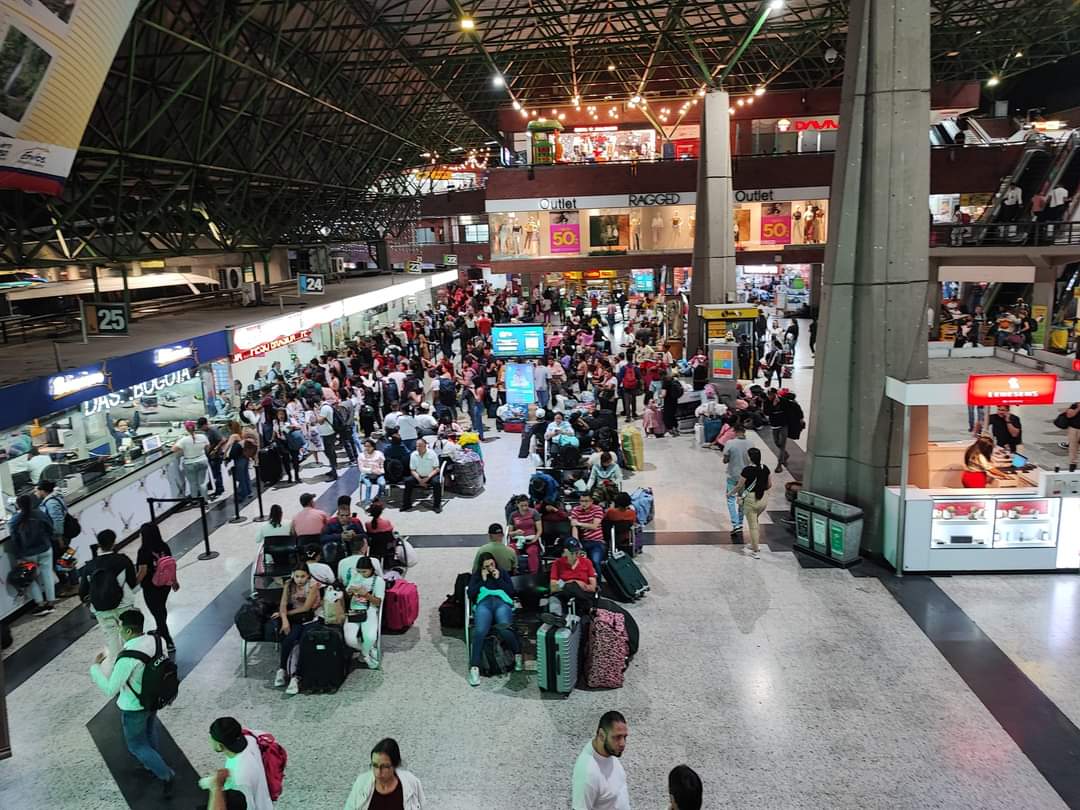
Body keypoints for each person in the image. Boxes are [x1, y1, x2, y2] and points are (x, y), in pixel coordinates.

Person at [89, 609, 175, 796]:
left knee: (136, 744)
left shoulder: (128, 658)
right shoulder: (157, 639)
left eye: (120, 627)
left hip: (134, 706)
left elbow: (110, 689)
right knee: (150, 731)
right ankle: (152, 763)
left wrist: (95, 668)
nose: (119, 630)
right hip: (154, 698)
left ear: (128, 631)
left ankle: (165, 773)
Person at [466, 551, 523, 686]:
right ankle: (475, 667)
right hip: (484, 603)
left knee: (504, 627)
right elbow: (471, 593)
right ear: (482, 567)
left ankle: (518, 654)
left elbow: (511, 591)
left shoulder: (502, 572)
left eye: (492, 564)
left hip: (501, 602)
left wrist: (498, 579)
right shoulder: (477, 576)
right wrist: (482, 581)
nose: (490, 568)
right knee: (480, 631)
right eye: (486, 566)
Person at [79, 529, 137, 660]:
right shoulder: (122, 560)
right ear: (114, 543)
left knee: (112, 637)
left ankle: (118, 664)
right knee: (130, 633)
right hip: (124, 604)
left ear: (99, 545)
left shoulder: (89, 566)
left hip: (101, 608)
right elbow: (132, 582)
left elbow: (83, 591)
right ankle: (134, 661)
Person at [199, 717, 273, 810]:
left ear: (220, 746)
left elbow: (248, 806)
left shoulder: (238, 781)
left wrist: (216, 787)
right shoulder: (250, 740)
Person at [273, 562, 321, 695]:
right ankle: (282, 669)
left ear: (308, 576)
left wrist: (286, 614)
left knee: (303, 642)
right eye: (297, 576)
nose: (299, 580)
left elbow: (306, 607)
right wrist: (284, 620)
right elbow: (283, 604)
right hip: (295, 618)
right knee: (289, 639)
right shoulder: (288, 584)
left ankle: (296, 676)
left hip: (311, 617)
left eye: (302, 576)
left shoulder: (313, 585)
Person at [6, 493, 56, 615]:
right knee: (47, 574)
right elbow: (50, 527)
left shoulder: (15, 520)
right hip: (45, 548)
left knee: (31, 578)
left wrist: (18, 555)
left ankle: (40, 603)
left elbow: (15, 539)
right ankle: (51, 602)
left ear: (18, 505)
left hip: (28, 553)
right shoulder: (39, 514)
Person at [344, 737, 426, 810]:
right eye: (375, 765)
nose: (378, 772)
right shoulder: (361, 783)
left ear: (395, 765)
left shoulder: (411, 783)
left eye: (384, 767)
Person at [135, 522, 179, 656]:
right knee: (161, 608)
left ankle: (168, 640)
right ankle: (160, 629)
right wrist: (174, 581)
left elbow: (142, 572)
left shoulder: (143, 551)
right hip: (165, 585)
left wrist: (133, 584)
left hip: (151, 586)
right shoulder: (164, 546)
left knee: (157, 612)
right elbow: (171, 565)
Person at [572, 711, 630, 810]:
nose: (622, 743)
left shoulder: (607, 751)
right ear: (601, 735)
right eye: (617, 737)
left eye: (624, 737)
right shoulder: (588, 773)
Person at [341, 556, 384, 669]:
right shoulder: (355, 576)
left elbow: (378, 602)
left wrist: (366, 594)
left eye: (364, 571)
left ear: (371, 569)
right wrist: (349, 592)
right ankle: (367, 650)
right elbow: (347, 593)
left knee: (370, 637)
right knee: (349, 639)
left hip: (369, 609)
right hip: (354, 609)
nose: (361, 574)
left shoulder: (378, 581)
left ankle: (365, 655)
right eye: (359, 571)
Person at [543, 538, 597, 624]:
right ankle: (586, 609)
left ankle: (561, 617)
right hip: (565, 592)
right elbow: (553, 587)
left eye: (577, 551)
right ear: (565, 551)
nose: (575, 554)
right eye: (572, 552)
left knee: (573, 586)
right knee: (560, 593)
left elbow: (593, 587)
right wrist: (571, 583)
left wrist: (579, 585)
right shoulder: (557, 564)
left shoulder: (587, 562)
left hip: (583, 593)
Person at [733, 447, 771, 559]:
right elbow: (769, 485)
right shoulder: (765, 468)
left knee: (753, 526)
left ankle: (755, 550)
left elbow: (739, 485)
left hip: (751, 500)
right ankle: (755, 544)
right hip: (763, 500)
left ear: (750, 457)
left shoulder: (747, 470)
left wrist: (730, 493)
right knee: (755, 521)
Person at [722, 423, 751, 535]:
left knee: (731, 499)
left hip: (733, 476)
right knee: (742, 500)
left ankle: (736, 525)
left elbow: (725, 460)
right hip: (746, 477)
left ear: (735, 431)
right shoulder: (751, 443)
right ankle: (740, 522)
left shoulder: (730, 443)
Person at [173, 419, 211, 500]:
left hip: (189, 463)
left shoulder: (183, 440)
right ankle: (205, 500)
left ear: (186, 429)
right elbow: (207, 447)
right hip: (202, 460)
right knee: (202, 483)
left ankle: (195, 500)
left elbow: (173, 449)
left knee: (192, 483)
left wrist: (178, 443)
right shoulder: (202, 436)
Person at [571, 492, 607, 577]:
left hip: (597, 542)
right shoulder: (576, 510)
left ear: (591, 501)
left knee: (595, 561)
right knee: (577, 561)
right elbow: (574, 526)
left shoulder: (597, 509)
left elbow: (594, 526)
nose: (583, 503)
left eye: (586, 501)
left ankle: (598, 585)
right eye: (581, 501)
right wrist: (577, 543)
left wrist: (579, 523)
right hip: (583, 542)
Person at [402, 437, 442, 513]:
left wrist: (427, 478)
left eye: (420, 446)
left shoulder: (432, 453)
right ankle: (406, 504)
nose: (418, 448)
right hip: (418, 476)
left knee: (436, 483)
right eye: (417, 446)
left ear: (425, 446)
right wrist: (420, 480)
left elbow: (436, 469)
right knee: (408, 481)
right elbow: (412, 470)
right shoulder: (413, 454)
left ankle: (437, 505)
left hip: (430, 475)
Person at [508, 497, 543, 574]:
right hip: (517, 541)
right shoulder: (513, 515)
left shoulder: (534, 513)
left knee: (532, 551)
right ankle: (514, 571)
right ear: (517, 505)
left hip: (531, 540)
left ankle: (534, 573)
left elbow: (540, 530)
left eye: (526, 505)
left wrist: (535, 538)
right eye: (522, 506)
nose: (524, 508)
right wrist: (515, 532)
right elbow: (509, 532)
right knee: (511, 550)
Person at [35, 478, 67, 558]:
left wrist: (59, 538)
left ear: (42, 491)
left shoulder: (51, 503)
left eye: (36, 491)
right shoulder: (51, 499)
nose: (35, 493)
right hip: (56, 536)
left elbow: (57, 521)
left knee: (61, 561)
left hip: (57, 538)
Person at [198, 417, 227, 497]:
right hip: (210, 455)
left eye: (201, 427)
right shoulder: (206, 432)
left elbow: (223, 440)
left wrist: (215, 449)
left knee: (216, 473)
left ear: (205, 424)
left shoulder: (213, 430)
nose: (201, 429)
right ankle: (219, 488)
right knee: (215, 473)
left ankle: (219, 489)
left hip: (216, 455)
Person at [764, 388, 789, 472]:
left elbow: (790, 410)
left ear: (775, 394)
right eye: (769, 394)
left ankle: (779, 465)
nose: (769, 396)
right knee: (776, 442)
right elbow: (766, 412)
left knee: (782, 444)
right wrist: (773, 405)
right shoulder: (767, 401)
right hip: (774, 425)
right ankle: (785, 454)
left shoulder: (783, 401)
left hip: (783, 425)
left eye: (771, 394)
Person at [316, 397, 339, 480]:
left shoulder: (324, 408)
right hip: (328, 432)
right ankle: (333, 469)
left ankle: (334, 473)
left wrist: (316, 412)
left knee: (329, 453)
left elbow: (320, 421)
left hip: (328, 433)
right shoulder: (327, 406)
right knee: (330, 452)